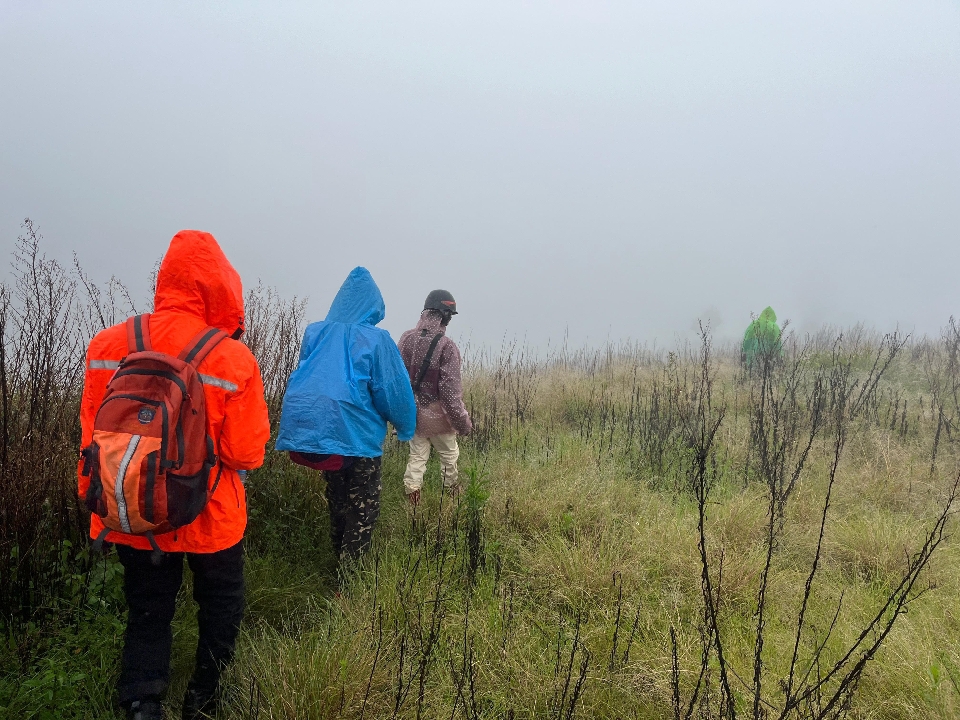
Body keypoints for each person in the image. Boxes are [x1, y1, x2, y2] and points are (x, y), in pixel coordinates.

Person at [78, 231, 271, 720]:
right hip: (210, 518)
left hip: (135, 509)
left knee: (147, 613)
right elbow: (245, 453)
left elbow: (93, 437)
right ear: (222, 288)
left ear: (165, 281)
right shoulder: (231, 357)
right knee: (220, 605)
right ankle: (204, 696)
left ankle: (143, 703)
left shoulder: (107, 344)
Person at [276, 267, 416, 565]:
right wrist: (405, 426)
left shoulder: (316, 332)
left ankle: (335, 563)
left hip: (323, 434)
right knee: (363, 509)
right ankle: (349, 579)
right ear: (373, 305)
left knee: (338, 502)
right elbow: (392, 389)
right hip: (359, 437)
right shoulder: (376, 339)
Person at [398, 290, 473, 506]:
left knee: (417, 457)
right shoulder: (447, 346)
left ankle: (413, 505)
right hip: (438, 417)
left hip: (413, 413)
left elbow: (397, 379)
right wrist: (463, 423)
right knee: (449, 457)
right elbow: (450, 393)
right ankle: (451, 501)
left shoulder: (405, 339)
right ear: (444, 316)